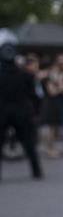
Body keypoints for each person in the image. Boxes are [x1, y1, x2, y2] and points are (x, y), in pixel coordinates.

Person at [0, 44, 43, 180]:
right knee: (29, 142)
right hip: (22, 112)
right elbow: (35, 96)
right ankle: (36, 171)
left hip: (2, 112)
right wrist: (35, 112)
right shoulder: (26, 75)